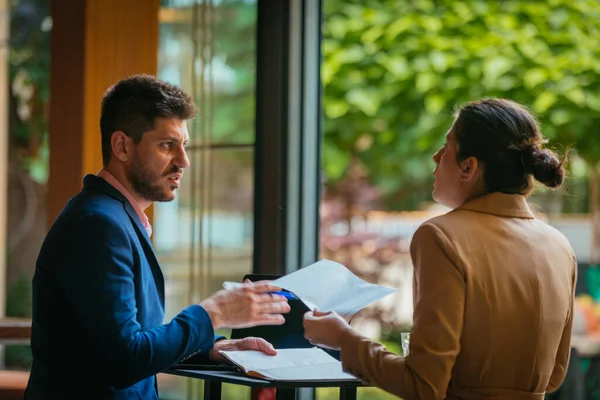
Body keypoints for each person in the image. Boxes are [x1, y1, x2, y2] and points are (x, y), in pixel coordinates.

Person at [25, 74, 291, 399]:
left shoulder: (116, 218)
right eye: (168, 145)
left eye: (184, 145)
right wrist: (214, 313)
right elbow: (123, 359)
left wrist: (210, 348)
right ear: (122, 146)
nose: (184, 161)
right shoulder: (98, 224)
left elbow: (126, 342)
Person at [304, 98, 577, 400]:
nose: (436, 157)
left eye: (446, 147)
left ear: (468, 167)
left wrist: (343, 338)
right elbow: (553, 377)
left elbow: (424, 386)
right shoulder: (560, 246)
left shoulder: (441, 237)